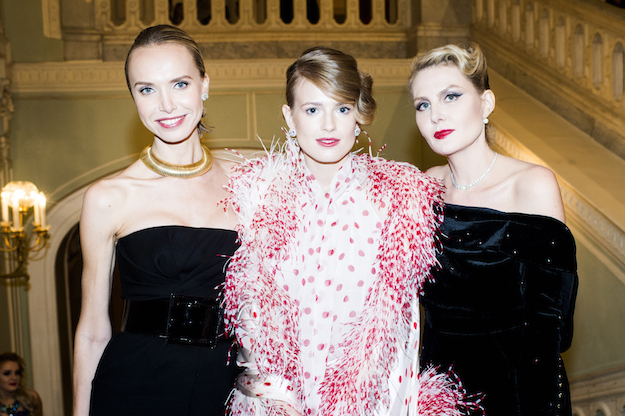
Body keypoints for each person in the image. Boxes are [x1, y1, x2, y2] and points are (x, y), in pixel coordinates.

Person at [223, 46, 481, 416]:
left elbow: (401, 337)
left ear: (358, 115)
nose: (329, 125)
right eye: (313, 110)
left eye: (342, 109)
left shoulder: (397, 197)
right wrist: (278, 402)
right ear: (290, 116)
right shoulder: (258, 195)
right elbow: (251, 318)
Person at [72, 25, 240, 416]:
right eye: (147, 89)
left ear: (204, 85)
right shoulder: (108, 197)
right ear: (133, 97)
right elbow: (93, 330)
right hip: (137, 386)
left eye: (180, 84)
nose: (166, 105)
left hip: (228, 385)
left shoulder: (248, 182)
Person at [409, 43, 578, 416]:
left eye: (451, 96)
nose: (436, 115)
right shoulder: (423, 187)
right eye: (423, 105)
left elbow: (553, 326)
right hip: (437, 393)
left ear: (485, 104)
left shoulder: (531, 184)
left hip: (516, 393)